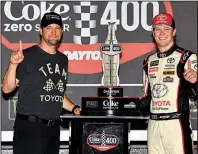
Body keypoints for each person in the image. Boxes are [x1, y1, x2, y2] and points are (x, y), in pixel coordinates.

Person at [2, 12, 81, 154]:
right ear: (41, 31)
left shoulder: (62, 59)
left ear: (62, 32)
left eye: (57, 28)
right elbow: (7, 89)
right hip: (30, 129)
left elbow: (56, 92)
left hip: (53, 130)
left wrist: (75, 108)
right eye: (49, 27)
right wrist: (13, 64)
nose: (53, 32)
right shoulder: (27, 55)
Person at [139, 12, 197, 154]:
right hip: (153, 125)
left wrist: (195, 82)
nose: (162, 33)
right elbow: (146, 98)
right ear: (153, 33)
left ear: (174, 31)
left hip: (176, 124)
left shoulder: (186, 57)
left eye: (166, 28)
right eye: (157, 29)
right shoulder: (148, 61)